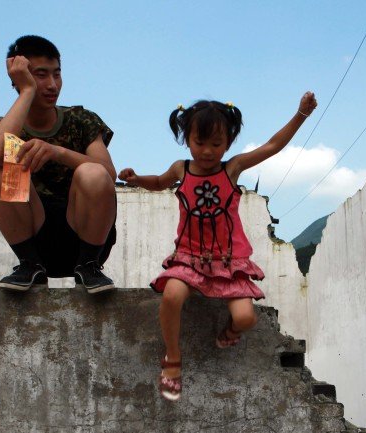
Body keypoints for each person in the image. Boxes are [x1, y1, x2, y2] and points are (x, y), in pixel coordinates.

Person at [119, 93, 317, 401]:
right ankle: (172, 358)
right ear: (187, 139)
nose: (208, 151)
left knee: (245, 318)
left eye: (216, 144)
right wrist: (137, 179)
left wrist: (300, 115)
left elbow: (273, 146)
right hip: (189, 257)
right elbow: (159, 181)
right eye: (200, 143)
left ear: (228, 142)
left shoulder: (232, 169)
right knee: (172, 294)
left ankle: (230, 332)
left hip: (228, 261)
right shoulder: (181, 169)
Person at [0, 35, 117, 293]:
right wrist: (27, 91)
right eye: (41, 75)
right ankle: (29, 265)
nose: (52, 85)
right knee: (1, 169)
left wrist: (57, 152)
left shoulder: (81, 120)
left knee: (92, 172)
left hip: (84, 235)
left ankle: (89, 266)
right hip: (35, 238)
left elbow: (108, 173)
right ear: (19, 77)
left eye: (57, 74)